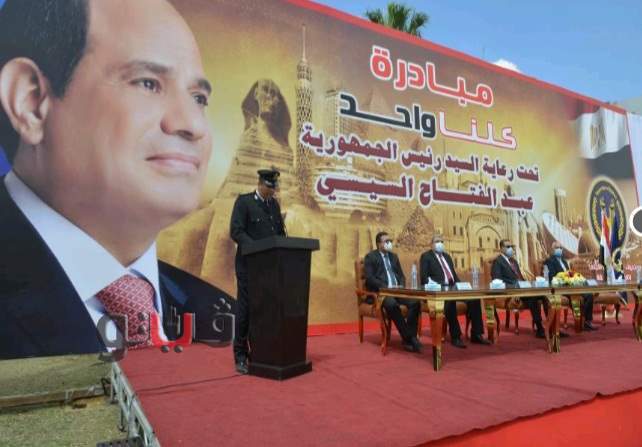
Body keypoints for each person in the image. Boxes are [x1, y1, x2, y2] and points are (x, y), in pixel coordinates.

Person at [0, 0, 233, 359]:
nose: (193, 124)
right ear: (31, 103)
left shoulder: (219, 312)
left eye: (199, 98)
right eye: (148, 83)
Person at [230, 169, 286, 374]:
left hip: (269, 268)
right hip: (248, 266)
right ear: (261, 183)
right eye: (270, 188)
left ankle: (260, 351)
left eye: (274, 188)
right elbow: (236, 231)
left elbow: (279, 233)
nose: (273, 192)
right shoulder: (244, 202)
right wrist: (256, 248)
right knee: (245, 311)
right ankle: (240, 355)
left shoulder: (274, 205)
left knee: (264, 311)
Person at [419, 234, 491, 348]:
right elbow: (424, 278)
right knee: (450, 300)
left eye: (442, 241)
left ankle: (476, 334)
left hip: (454, 288)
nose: (440, 244)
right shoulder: (426, 257)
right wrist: (441, 286)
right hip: (439, 291)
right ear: (431, 244)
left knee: (474, 298)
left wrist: (462, 286)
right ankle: (456, 336)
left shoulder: (447, 257)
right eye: (437, 241)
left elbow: (453, 276)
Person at [363, 232, 422, 353]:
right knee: (392, 304)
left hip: (397, 291)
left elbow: (401, 276)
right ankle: (410, 338)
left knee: (415, 302)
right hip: (382, 293)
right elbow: (370, 278)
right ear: (379, 244)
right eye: (386, 241)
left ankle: (408, 339)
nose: (389, 243)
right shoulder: (370, 257)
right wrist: (385, 287)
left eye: (390, 241)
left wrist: (400, 286)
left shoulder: (394, 257)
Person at [491, 239, 561, 339]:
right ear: (501, 248)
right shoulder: (498, 262)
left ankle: (552, 327)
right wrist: (515, 286)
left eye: (512, 246)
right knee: (533, 297)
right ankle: (540, 328)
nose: (511, 249)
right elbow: (497, 281)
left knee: (546, 296)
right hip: (511, 292)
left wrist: (527, 284)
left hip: (523, 289)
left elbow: (520, 277)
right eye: (508, 247)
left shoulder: (513, 261)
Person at [544, 241, 597, 331]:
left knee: (589, 295)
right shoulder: (549, 261)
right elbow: (552, 277)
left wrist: (573, 278)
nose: (559, 249)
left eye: (561, 248)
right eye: (557, 248)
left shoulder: (564, 261)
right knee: (574, 298)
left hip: (571, 285)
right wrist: (564, 278)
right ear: (552, 250)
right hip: (561, 287)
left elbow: (570, 273)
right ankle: (580, 320)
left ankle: (586, 321)